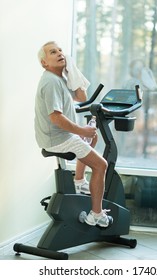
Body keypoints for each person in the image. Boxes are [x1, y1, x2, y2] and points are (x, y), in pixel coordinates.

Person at [34, 41, 113, 227]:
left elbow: (81, 97)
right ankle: (96, 214)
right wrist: (81, 130)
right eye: (53, 52)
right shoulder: (51, 81)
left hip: (59, 135)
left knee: (92, 136)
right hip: (57, 138)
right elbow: (55, 117)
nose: (60, 53)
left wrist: (72, 70)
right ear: (44, 63)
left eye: (60, 50)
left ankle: (79, 180)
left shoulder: (60, 78)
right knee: (101, 165)